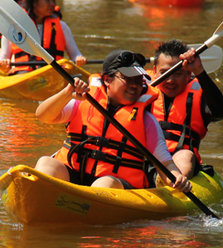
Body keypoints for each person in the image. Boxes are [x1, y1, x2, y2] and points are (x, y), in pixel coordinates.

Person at [33, 49, 192, 192]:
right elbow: (42, 115)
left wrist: (176, 177)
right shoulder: (81, 102)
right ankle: (39, 204)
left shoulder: (146, 120)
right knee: (46, 163)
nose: (134, 85)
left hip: (116, 185)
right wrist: (67, 93)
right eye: (128, 79)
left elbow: (164, 164)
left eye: (138, 80)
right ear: (107, 79)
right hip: (75, 174)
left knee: (105, 183)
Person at [150, 39, 223, 179]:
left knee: (185, 156)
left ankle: (172, 184)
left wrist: (199, 71)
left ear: (188, 74)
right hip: (146, 160)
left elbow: (220, 112)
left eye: (178, 74)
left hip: (180, 162)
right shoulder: (140, 91)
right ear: (154, 71)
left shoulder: (199, 92)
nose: (170, 80)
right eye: (164, 73)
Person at [0, 0, 86, 75]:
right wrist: (4, 63)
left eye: (53, 0)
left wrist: (79, 59)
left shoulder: (62, 26)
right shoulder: (15, 27)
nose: (52, 4)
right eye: (47, 0)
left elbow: (75, 54)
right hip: (24, 74)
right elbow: (4, 58)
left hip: (53, 73)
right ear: (34, 1)